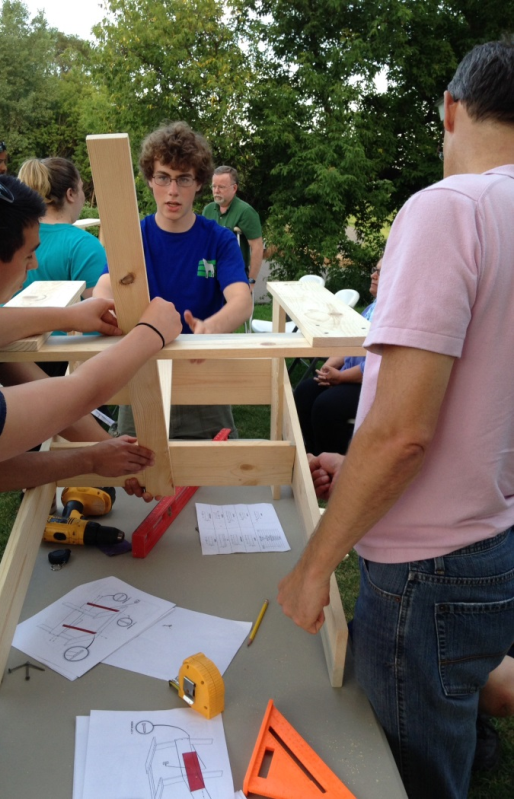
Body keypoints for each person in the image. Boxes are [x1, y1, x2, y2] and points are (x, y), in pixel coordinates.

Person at [277, 40, 514, 799]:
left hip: (426, 570)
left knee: (404, 775)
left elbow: (403, 431)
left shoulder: (451, 208)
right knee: (447, 736)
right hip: (491, 540)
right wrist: (361, 475)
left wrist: (316, 565)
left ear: (450, 109)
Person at [0, 150, 181, 733]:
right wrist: (151, 334)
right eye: (29, 256)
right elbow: (43, 415)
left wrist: (77, 316)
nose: (34, 269)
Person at [94, 122, 252, 439]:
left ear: (199, 184)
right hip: (142, 376)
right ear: (150, 180)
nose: (173, 191)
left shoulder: (218, 240)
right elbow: (107, 284)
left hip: (203, 375)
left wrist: (211, 327)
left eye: (183, 179)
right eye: (164, 178)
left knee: (216, 475)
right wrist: (102, 304)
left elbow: (242, 300)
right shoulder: (132, 236)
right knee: (134, 472)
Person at [293, 260, 381, 455]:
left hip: (372, 384)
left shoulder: (393, 312)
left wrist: (340, 378)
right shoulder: (373, 307)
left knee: (327, 406)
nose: (373, 275)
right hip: (349, 375)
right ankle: (310, 457)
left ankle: (331, 466)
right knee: (305, 391)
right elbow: (350, 344)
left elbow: (378, 365)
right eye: (374, 269)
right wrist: (328, 369)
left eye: (380, 273)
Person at [18, 157, 106, 299]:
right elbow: (102, 310)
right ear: (70, 194)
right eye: (81, 188)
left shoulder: (12, 237)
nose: (83, 196)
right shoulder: (83, 245)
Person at [202, 165, 263, 285]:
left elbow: (257, 247)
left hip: (234, 277)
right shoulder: (208, 210)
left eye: (221, 187)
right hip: (210, 276)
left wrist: (251, 281)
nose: (216, 191)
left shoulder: (245, 211)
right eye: (214, 186)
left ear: (234, 188)